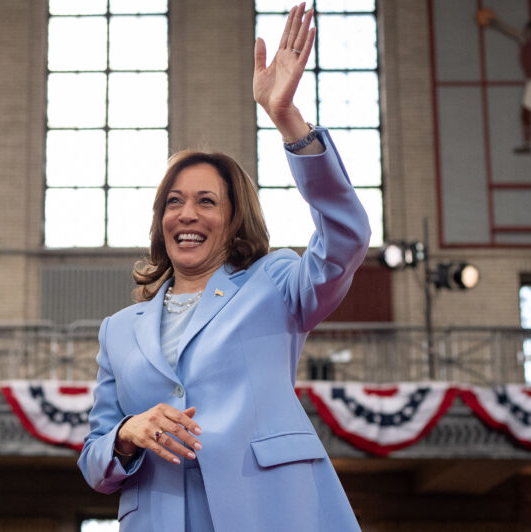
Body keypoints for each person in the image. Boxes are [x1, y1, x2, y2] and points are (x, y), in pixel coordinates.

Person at [77, 5, 369, 531]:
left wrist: (288, 121)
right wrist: (127, 433)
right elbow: (96, 462)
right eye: (173, 202)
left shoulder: (276, 284)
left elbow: (347, 236)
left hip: (272, 512)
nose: (187, 214)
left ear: (234, 220)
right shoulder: (118, 331)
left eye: (206, 202)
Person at [478, 7, 531, 153]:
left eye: (528, 31)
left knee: (526, 113)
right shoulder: (524, 40)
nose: (525, 33)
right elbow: (510, 31)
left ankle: (528, 143)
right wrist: (494, 22)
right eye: (526, 31)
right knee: (526, 114)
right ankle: (527, 144)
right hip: (530, 81)